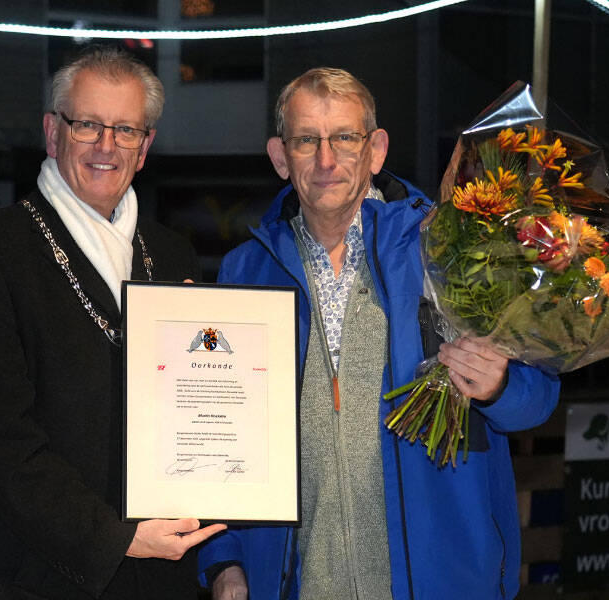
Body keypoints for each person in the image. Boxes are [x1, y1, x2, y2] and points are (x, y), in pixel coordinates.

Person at [197, 67, 560, 600]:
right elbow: (215, 431)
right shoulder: (245, 269)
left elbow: (539, 398)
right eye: (306, 140)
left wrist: (500, 386)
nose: (327, 160)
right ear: (280, 157)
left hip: (439, 582)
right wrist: (224, 558)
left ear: (376, 149)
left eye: (345, 137)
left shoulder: (449, 248)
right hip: (298, 584)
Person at [0, 47, 225, 599]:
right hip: (29, 576)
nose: (106, 146)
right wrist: (114, 538)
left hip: (158, 575)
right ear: (52, 131)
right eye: (87, 124)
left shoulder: (173, 254)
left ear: (145, 148)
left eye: (126, 130)